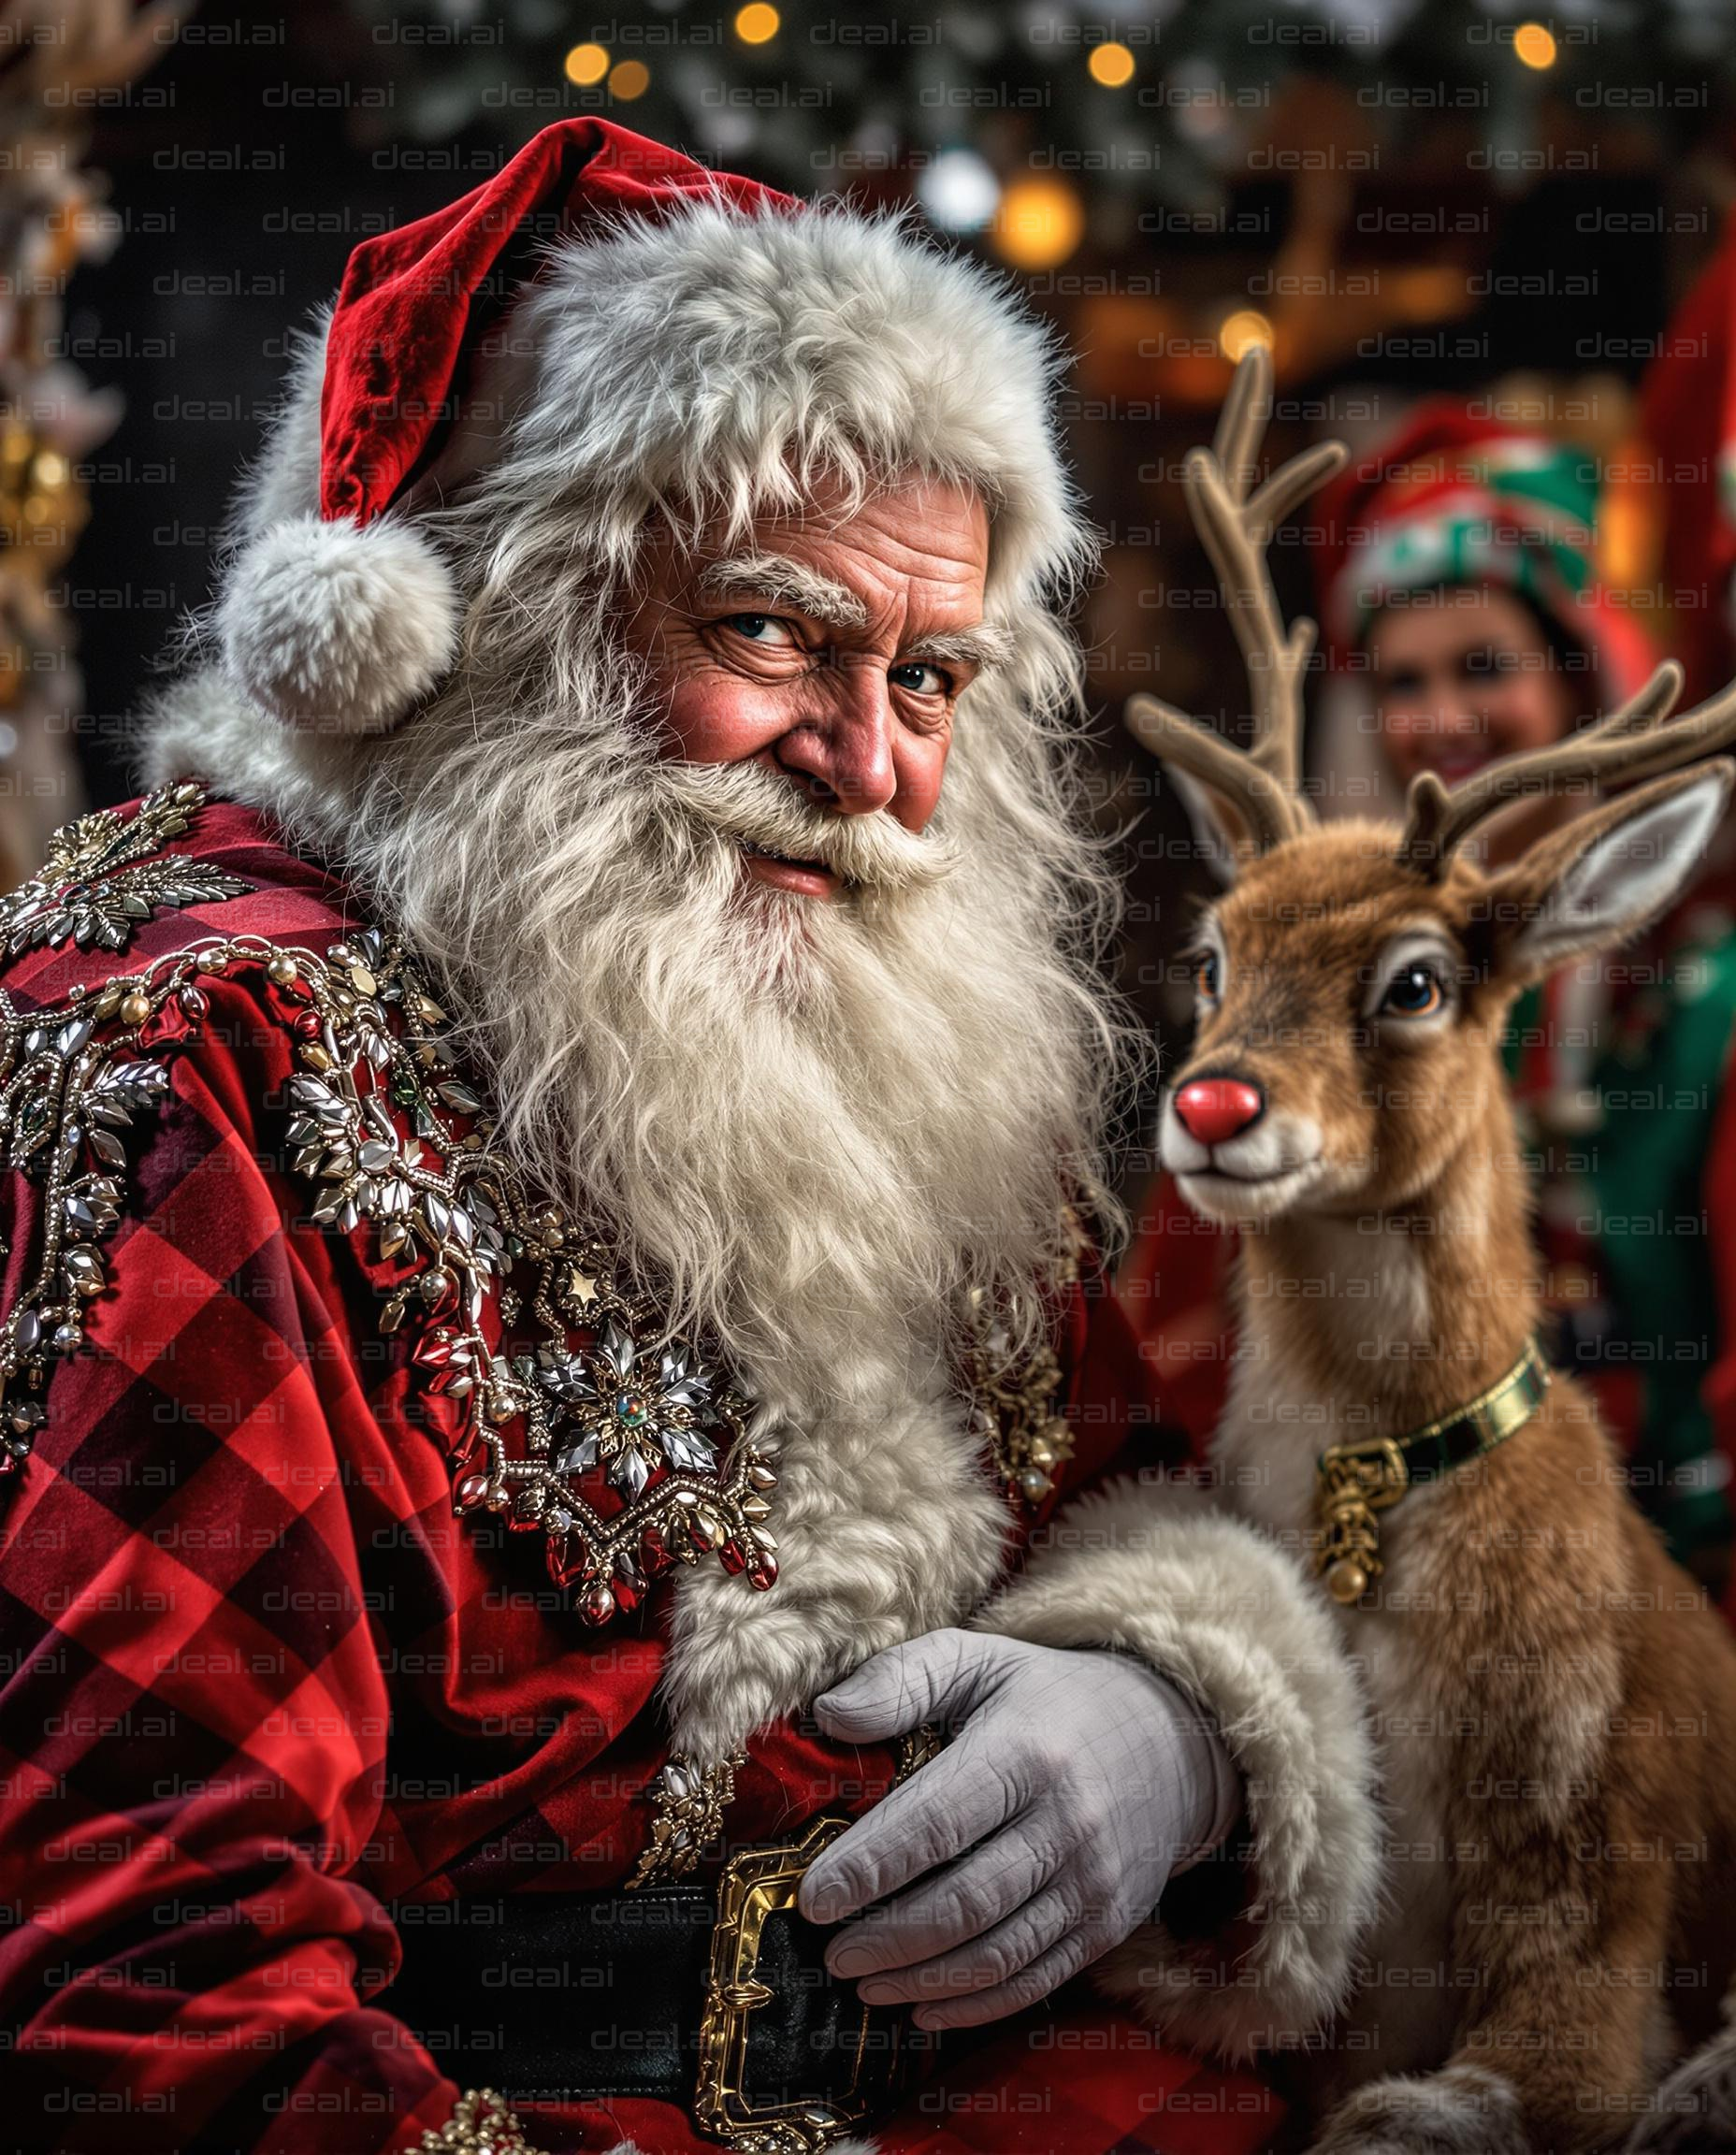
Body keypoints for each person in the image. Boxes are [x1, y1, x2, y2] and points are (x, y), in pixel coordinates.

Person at [0, 123, 1379, 2155]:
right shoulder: (195, 1047)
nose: (871, 769)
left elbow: (1119, 1485)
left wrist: (1176, 1705)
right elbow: (160, 2006)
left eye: (929, 677)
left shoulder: (897, 1032)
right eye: (770, 637)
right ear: (479, 607)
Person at [1124, 401, 1736, 1586]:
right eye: (1400, 680)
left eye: (1482, 667)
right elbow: (1183, 1332)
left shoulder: (1703, 1008)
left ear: (1575, 682)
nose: (1440, 720)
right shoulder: (1310, 974)